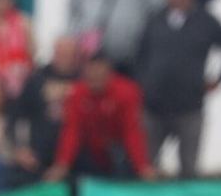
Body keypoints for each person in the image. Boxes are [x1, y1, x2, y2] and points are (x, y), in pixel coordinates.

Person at [136, 0, 221, 178]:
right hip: (154, 107)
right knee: (147, 167)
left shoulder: (206, 21)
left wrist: (219, 79)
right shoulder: (154, 19)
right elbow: (139, 54)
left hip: (190, 106)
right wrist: (143, 83)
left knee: (189, 169)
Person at [45, 53, 155, 181]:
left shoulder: (127, 92)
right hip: (91, 151)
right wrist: (62, 164)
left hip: (119, 150)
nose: (95, 79)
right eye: (91, 76)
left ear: (109, 73)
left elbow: (132, 131)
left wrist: (142, 166)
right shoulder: (77, 93)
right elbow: (72, 131)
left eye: (99, 75)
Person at [10, 36, 82, 179]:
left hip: (77, 159)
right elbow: (14, 116)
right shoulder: (37, 79)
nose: (64, 58)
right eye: (60, 53)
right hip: (37, 158)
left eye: (68, 54)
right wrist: (19, 149)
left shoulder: (84, 81)